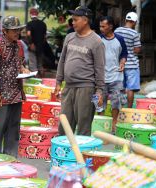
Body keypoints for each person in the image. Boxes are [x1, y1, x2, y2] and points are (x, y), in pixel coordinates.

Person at [54, 6, 105, 136]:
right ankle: (64, 155)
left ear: (85, 20)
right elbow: (62, 61)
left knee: (83, 125)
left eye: (76, 20)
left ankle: (81, 155)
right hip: (68, 87)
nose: (73, 23)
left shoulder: (97, 42)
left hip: (86, 88)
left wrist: (99, 91)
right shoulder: (69, 37)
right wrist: (58, 82)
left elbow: (99, 68)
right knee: (64, 125)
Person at [0, 15, 30, 157]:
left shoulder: (19, 45)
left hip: (16, 92)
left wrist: (24, 70)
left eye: (18, 30)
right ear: (5, 31)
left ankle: (11, 157)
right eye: (14, 30)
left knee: (14, 128)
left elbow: (21, 63)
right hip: (2, 93)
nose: (17, 33)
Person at [99, 16, 128, 132]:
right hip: (100, 76)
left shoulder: (120, 39)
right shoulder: (98, 39)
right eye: (100, 26)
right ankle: (99, 121)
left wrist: (122, 62)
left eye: (103, 26)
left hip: (116, 76)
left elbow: (124, 54)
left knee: (117, 101)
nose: (101, 29)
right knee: (99, 100)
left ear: (110, 27)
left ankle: (114, 123)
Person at [115, 12, 142, 108]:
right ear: (134, 22)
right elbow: (136, 50)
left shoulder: (117, 31)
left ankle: (119, 108)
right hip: (132, 65)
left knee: (120, 88)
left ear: (126, 20)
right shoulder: (135, 33)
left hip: (119, 64)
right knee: (130, 88)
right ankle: (129, 110)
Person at [26, 7, 47, 77]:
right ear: (37, 14)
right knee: (40, 65)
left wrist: (31, 43)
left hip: (33, 47)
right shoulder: (43, 24)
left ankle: (36, 81)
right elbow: (44, 37)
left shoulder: (29, 24)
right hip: (40, 47)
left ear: (30, 14)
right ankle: (42, 79)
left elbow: (28, 34)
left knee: (33, 66)